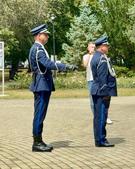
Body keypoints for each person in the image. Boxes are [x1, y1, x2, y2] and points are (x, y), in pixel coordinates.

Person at [28, 24, 77, 152]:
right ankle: (37, 143)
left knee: (40, 113)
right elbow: (48, 64)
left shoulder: (38, 48)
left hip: (41, 83)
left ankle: (39, 140)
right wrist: (65, 66)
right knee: (39, 114)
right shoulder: (38, 49)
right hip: (42, 84)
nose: (47, 36)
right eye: (45, 34)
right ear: (39, 36)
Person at [90, 35, 117, 147]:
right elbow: (102, 78)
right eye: (106, 45)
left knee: (98, 116)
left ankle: (98, 139)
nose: (108, 47)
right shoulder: (101, 58)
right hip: (101, 92)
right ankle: (101, 140)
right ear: (101, 47)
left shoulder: (96, 56)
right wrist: (106, 93)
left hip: (97, 90)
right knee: (101, 116)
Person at [82, 42, 113, 124]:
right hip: (90, 80)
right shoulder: (86, 56)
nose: (92, 48)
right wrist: (89, 54)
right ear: (88, 48)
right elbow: (85, 65)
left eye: (93, 47)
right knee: (92, 100)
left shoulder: (99, 56)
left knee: (104, 99)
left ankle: (105, 116)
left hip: (99, 80)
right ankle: (96, 116)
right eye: (91, 47)